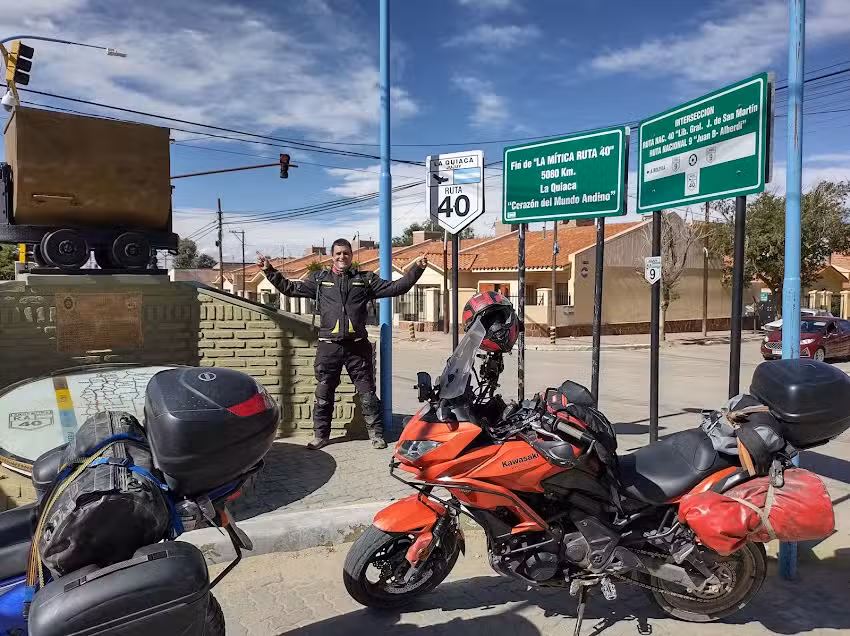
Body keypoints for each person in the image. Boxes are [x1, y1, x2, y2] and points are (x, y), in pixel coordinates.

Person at [257, 239, 428, 450]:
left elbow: (396, 287)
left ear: (351, 256)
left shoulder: (365, 279)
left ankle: (376, 435)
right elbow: (290, 289)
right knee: (324, 394)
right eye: (338, 253)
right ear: (332, 255)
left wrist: (417, 269)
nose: (342, 257)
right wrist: (269, 271)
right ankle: (321, 436)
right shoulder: (320, 280)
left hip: (358, 347)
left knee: (367, 395)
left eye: (346, 253)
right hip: (329, 347)